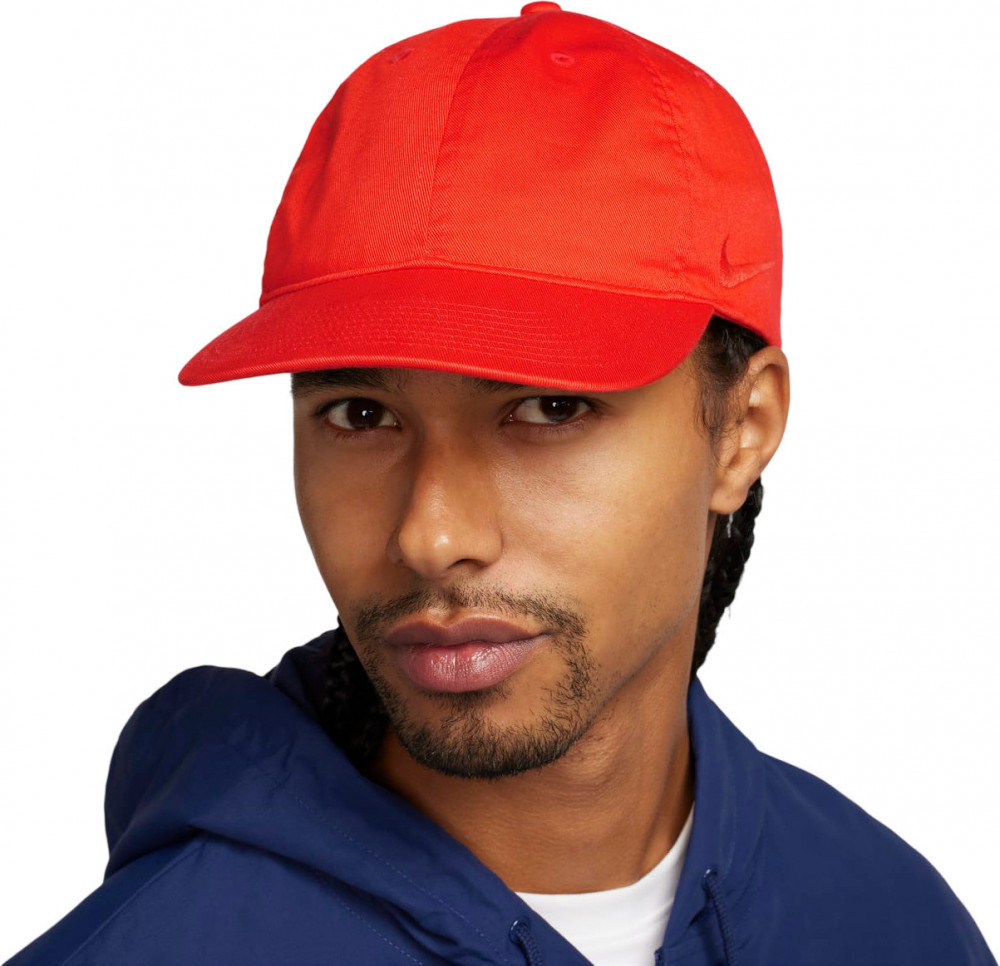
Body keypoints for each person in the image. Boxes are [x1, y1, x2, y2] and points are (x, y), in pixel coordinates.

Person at [5, 4, 995, 965]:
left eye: (549, 408)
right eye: (360, 415)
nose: (430, 536)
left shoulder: (889, 922)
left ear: (742, 431)